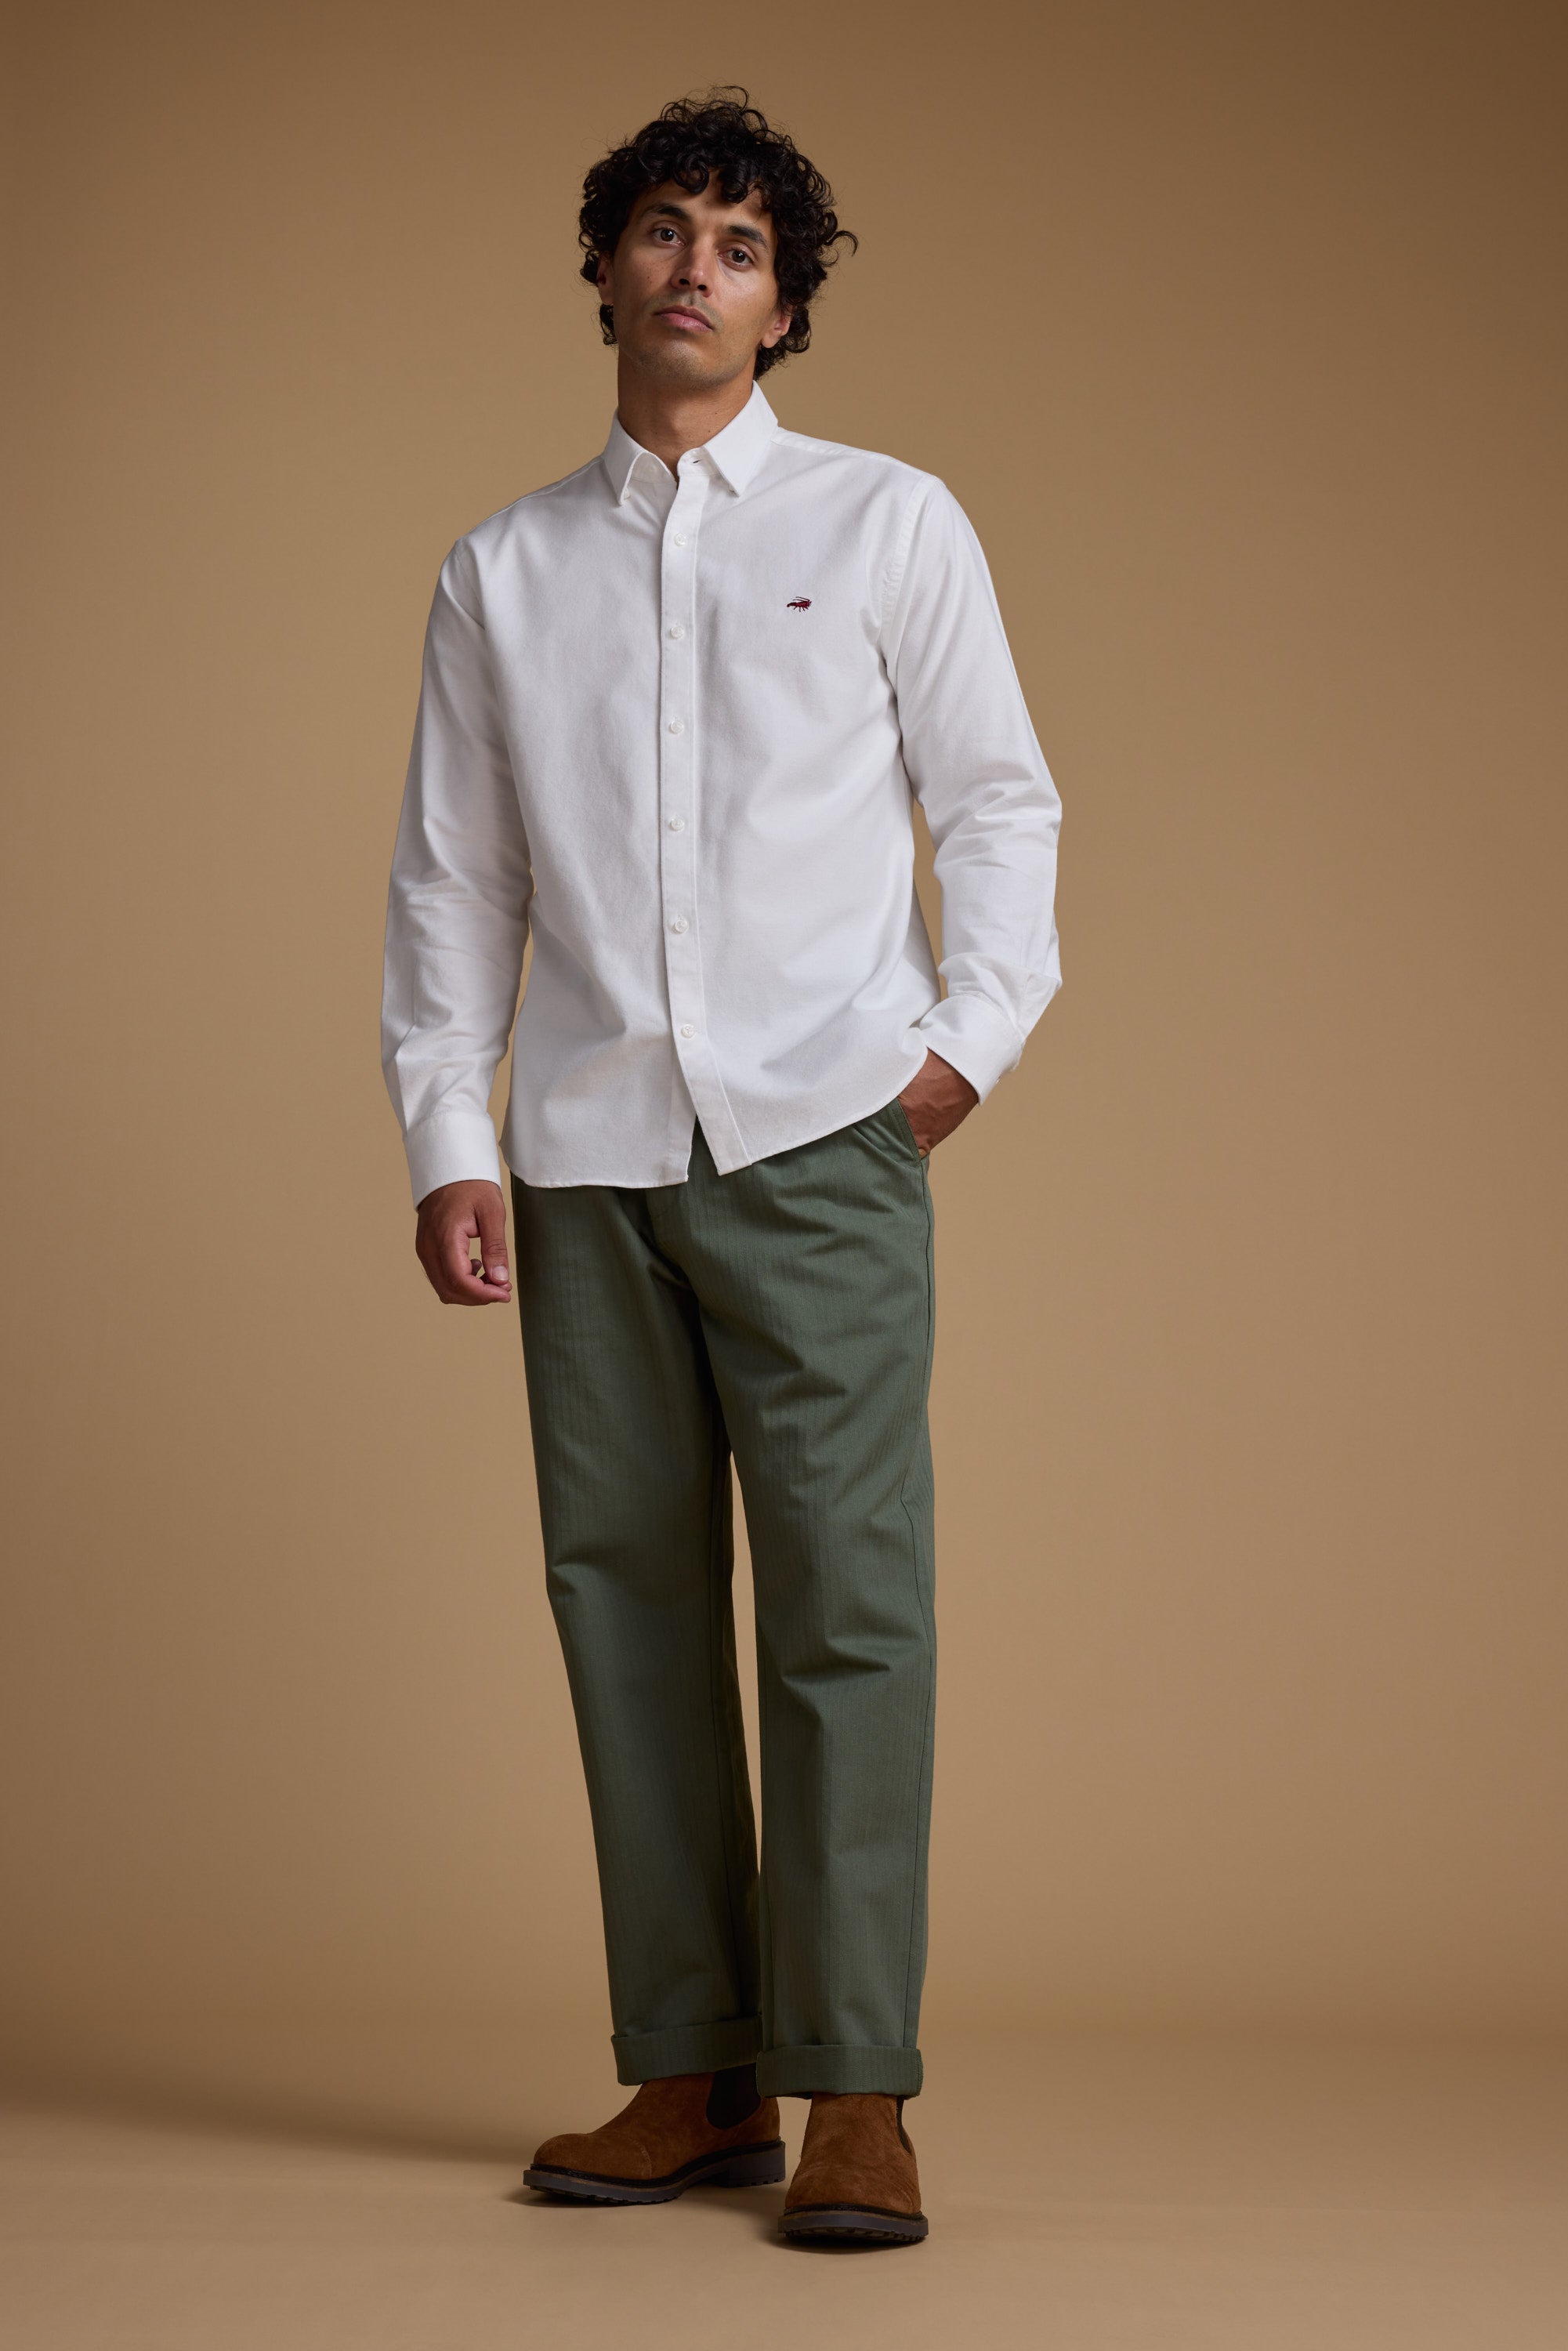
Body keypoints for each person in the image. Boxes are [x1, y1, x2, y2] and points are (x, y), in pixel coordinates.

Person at [381, 90, 1061, 2248]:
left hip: (823, 1139)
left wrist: (959, 1049)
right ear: (605, 271)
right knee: (629, 1603)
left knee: (851, 1607)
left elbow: (999, 800)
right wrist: (450, 1130)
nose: (697, 266)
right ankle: (692, 2071)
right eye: (664, 228)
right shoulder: (501, 571)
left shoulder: (887, 522)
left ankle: (856, 2088)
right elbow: (455, 880)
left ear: (783, 308)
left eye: (742, 245)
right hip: (585, 1159)